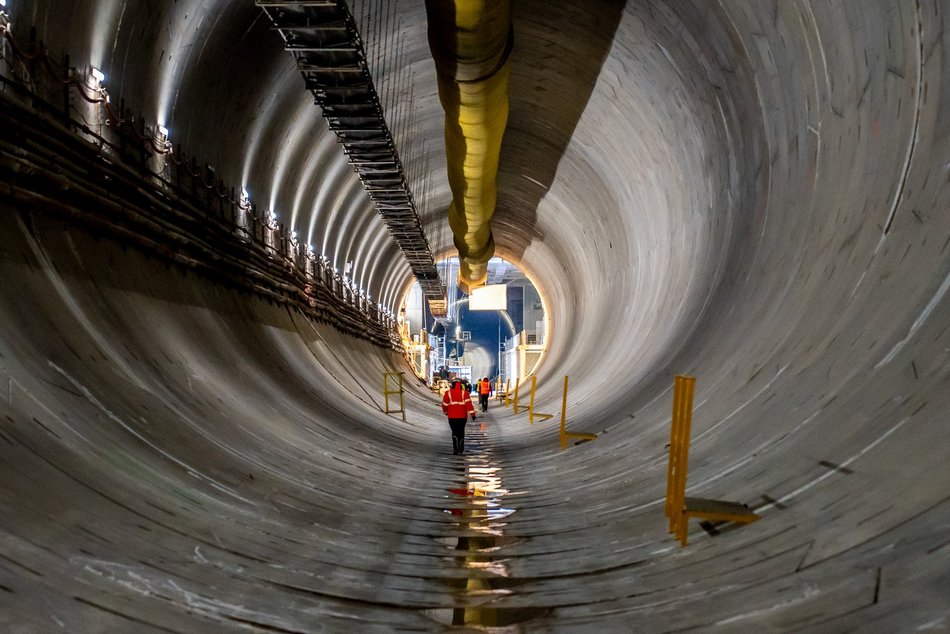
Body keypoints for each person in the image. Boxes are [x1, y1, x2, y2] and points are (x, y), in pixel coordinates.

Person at [442, 379, 476, 455]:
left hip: (452, 417)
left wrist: (446, 412)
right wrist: (472, 414)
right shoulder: (465, 393)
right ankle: (461, 448)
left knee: (454, 432)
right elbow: (469, 405)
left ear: (452, 385)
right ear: (461, 385)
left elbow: (445, 405)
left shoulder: (448, 393)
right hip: (462, 417)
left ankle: (455, 449)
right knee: (461, 432)